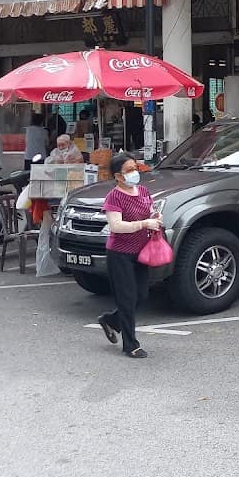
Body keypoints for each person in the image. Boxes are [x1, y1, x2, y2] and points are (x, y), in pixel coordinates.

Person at [97, 151, 163, 359]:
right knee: (127, 299)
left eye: (135, 168)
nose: (134, 173)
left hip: (141, 251)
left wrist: (154, 216)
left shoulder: (143, 191)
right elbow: (116, 226)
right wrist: (143, 224)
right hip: (120, 253)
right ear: (118, 176)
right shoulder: (114, 197)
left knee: (141, 295)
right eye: (129, 170)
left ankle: (110, 320)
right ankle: (130, 345)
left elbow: (149, 210)